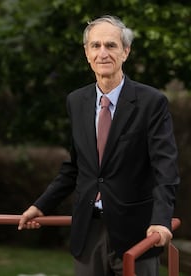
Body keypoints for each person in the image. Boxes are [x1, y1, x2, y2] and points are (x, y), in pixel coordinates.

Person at [17, 15, 180, 276]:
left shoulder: (152, 102)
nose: (102, 53)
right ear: (86, 53)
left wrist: (161, 221)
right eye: (95, 46)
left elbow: (165, 169)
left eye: (111, 45)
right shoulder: (76, 101)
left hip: (135, 234)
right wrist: (41, 206)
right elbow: (75, 166)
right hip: (88, 231)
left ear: (125, 52)